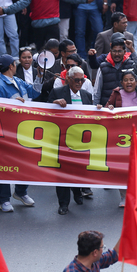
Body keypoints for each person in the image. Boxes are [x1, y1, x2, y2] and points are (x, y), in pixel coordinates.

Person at [0, 54, 43, 212]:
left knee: (25, 162)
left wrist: (39, 77)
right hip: (8, 133)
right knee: (5, 166)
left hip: (23, 131)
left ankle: (21, 192)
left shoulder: (18, 81)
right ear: (12, 66)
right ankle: (4, 199)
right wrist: (11, 106)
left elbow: (34, 93)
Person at [103, 70, 137, 208]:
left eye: (131, 80)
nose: (129, 82)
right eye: (126, 80)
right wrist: (108, 108)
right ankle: (123, 197)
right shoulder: (116, 94)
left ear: (136, 81)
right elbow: (106, 110)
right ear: (121, 83)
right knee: (122, 168)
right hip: (121, 139)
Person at [47, 66, 93, 215]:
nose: (80, 82)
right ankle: (63, 203)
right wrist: (54, 103)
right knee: (62, 173)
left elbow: (92, 115)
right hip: (62, 140)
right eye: (77, 80)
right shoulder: (57, 92)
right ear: (68, 79)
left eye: (82, 80)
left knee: (79, 170)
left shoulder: (86, 95)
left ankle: (77, 192)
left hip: (81, 141)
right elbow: (45, 111)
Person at [93, 36, 137, 106]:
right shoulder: (103, 67)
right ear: (110, 51)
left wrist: (132, 49)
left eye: (120, 51)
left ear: (125, 52)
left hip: (126, 107)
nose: (117, 54)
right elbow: (97, 91)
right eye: (114, 51)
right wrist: (95, 107)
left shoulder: (130, 64)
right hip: (107, 107)